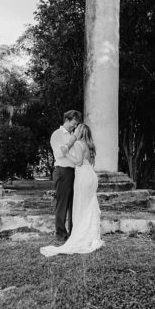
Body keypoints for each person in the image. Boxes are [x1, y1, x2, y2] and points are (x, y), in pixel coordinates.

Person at [41, 121, 104, 257]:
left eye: (77, 129)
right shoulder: (90, 145)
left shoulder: (78, 143)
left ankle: (81, 233)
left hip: (82, 175)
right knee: (89, 204)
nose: (74, 131)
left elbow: (79, 162)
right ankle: (91, 234)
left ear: (80, 132)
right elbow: (89, 162)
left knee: (81, 205)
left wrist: (66, 153)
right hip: (91, 176)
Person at [48, 109, 82, 241]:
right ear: (67, 120)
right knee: (62, 204)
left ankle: (73, 232)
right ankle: (61, 234)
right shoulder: (57, 134)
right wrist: (72, 141)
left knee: (74, 204)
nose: (75, 126)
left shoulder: (73, 135)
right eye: (74, 123)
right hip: (62, 171)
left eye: (77, 124)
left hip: (75, 172)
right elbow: (59, 154)